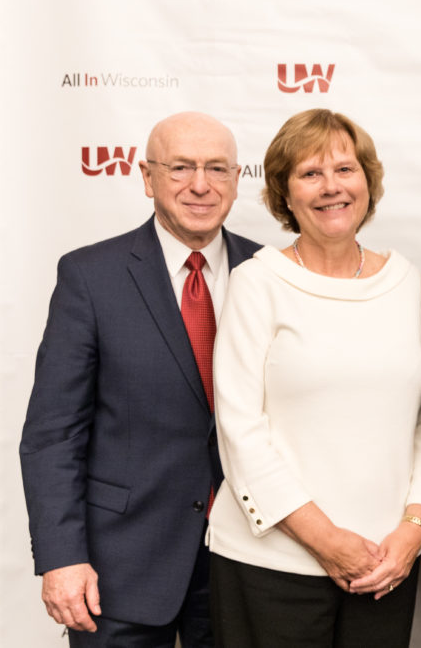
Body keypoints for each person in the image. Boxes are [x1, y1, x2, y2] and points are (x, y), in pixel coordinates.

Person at [19, 112, 260, 646]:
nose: (201, 184)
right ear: (147, 177)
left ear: (238, 180)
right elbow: (53, 434)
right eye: (181, 167)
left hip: (245, 564)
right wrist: (63, 559)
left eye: (217, 168)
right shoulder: (90, 276)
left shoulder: (268, 273)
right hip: (118, 568)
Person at [207, 108, 421, 647]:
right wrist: (328, 540)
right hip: (271, 566)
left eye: (345, 169)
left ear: (368, 182)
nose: (331, 186)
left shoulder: (408, 281)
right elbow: (240, 431)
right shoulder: (256, 283)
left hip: (386, 566)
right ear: (284, 194)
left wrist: (414, 531)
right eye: (310, 174)